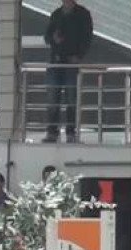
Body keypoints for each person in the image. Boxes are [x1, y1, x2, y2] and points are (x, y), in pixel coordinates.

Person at [43, 0, 93, 143]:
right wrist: (54, 38)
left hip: (71, 63)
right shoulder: (56, 14)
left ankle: (71, 133)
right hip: (56, 63)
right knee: (53, 98)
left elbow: (87, 38)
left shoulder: (83, 15)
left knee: (72, 99)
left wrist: (79, 56)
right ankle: (52, 132)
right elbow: (47, 37)